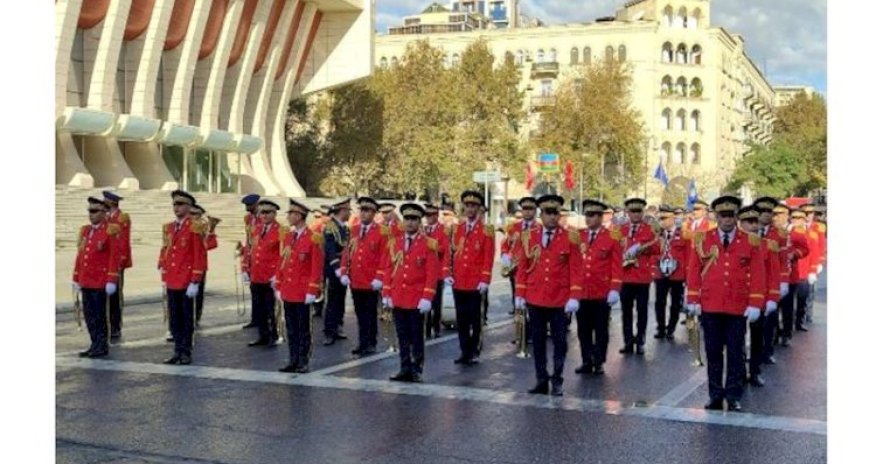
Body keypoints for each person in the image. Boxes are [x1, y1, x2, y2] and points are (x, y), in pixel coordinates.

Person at [686, 196, 765, 412]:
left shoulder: (750, 240)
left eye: (731, 216)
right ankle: (715, 395)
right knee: (713, 353)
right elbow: (693, 270)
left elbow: (758, 274)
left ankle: (733, 395)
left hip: (737, 306)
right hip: (711, 305)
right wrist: (692, 298)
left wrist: (756, 303)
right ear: (716, 217)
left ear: (736, 217)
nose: (727, 220)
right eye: (723, 216)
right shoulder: (703, 238)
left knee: (735, 353)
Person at [514, 194, 582, 396]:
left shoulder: (570, 237)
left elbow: (576, 269)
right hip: (536, 297)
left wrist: (574, 296)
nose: (552, 217)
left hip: (559, 299)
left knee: (560, 342)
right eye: (548, 213)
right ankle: (541, 379)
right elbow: (523, 267)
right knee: (538, 341)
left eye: (556, 213)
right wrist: (520, 293)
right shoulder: (528, 236)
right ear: (540, 214)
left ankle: (558, 379)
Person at [381, 203, 441, 382]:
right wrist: (386, 293)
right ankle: (404, 367)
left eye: (414, 219)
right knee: (402, 336)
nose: (409, 223)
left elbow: (432, 273)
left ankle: (417, 368)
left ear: (419, 221)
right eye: (407, 219)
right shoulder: (394, 243)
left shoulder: (429, 244)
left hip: (416, 297)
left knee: (416, 336)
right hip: (398, 296)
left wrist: (427, 297)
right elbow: (387, 268)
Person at [573, 199, 622, 376]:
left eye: (593, 215)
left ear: (601, 217)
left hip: (602, 291)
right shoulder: (578, 236)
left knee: (601, 329)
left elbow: (616, 265)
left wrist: (615, 288)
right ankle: (586, 360)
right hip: (582, 291)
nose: (589, 219)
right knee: (583, 329)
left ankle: (599, 361)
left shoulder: (612, 237)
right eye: (587, 215)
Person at [158, 190, 207, 365]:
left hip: (186, 280)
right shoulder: (170, 227)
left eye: (180, 204)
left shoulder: (195, 226)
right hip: (173, 278)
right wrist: (163, 268)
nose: (176, 208)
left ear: (188, 207)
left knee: (186, 319)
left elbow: (198, 255)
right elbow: (166, 249)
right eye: (174, 204)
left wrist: (195, 280)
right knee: (175, 318)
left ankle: (185, 351)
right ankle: (177, 351)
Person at [276, 199, 325, 373]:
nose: (288, 217)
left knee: (303, 328)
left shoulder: (314, 238)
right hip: (289, 289)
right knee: (290, 327)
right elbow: (283, 261)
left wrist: (313, 289)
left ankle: (303, 360)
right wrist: (279, 283)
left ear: (299, 216)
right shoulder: (289, 236)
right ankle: (293, 359)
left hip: (303, 290)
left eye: (291, 214)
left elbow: (316, 267)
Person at [447, 190, 495, 365]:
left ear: (479, 208)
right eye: (467, 205)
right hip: (459, 281)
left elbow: (488, 257)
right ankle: (464, 350)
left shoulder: (486, 230)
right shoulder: (456, 229)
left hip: (476, 282)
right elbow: (450, 254)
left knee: (476, 319)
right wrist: (448, 273)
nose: (469, 209)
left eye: (473, 206)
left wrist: (485, 279)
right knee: (461, 319)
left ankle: (474, 349)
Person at [72, 197, 122, 358]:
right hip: (86, 279)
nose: (91, 215)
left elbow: (114, 256)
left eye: (94, 211)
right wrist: (76, 277)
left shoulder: (110, 230)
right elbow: (80, 255)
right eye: (89, 211)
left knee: (100, 315)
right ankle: (94, 343)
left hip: (100, 281)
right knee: (89, 315)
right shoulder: (85, 230)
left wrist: (111, 279)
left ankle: (101, 345)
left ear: (104, 212)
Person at [340, 197, 389, 355]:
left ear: (374, 213)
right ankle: (362, 342)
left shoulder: (381, 231)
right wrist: (344, 271)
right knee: (360, 313)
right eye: (362, 210)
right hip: (356, 278)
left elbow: (385, 255)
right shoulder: (353, 229)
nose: (363, 213)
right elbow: (348, 251)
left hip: (371, 279)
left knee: (370, 312)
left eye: (367, 211)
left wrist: (379, 277)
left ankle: (371, 342)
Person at [737, 205, 780, 387]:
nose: (753, 226)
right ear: (741, 224)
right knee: (736, 339)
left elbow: (773, 274)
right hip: (737, 298)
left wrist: (772, 298)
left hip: (758, 298)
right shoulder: (734, 245)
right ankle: (738, 372)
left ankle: (754, 371)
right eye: (749, 222)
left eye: (755, 222)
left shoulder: (768, 245)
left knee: (757, 337)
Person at [241, 199, 284, 347]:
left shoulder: (281, 231)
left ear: (274, 213)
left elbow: (283, 255)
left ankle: (275, 334)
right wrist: (245, 268)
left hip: (270, 275)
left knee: (271, 308)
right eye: (261, 212)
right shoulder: (256, 229)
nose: (263, 215)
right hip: (257, 274)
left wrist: (278, 275)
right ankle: (262, 335)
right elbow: (250, 249)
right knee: (259, 308)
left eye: (267, 212)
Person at [618, 198, 659, 355]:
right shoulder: (620, 229)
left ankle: (640, 341)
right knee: (626, 311)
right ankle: (628, 341)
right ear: (627, 213)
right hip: (625, 276)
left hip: (642, 277)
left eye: (638, 211)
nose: (635, 215)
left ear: (643, 212)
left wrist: (641, 248)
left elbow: (657, 248)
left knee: (642, 311)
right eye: (632, 211)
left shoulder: (649, 229)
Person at [770, 204, 810, 347]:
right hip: (773, 276)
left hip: (790, 275)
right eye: (775, 215)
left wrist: (795, 254)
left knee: (787, 307)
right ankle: (774, 333)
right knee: (773, 306)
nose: (777, 218)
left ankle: (786, 333)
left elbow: (805, 249)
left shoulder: (796, 233)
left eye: (781, 215)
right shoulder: (771, 232)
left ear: (787, 216)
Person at [500, 197, 539, 339]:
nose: (527, 212)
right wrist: (505, 256)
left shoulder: (539, 228)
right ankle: (520, 333)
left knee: (531, 301)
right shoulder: (513, 227)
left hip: (533, 268)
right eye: (525, 209)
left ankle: (530, 331)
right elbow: (505, 244)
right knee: (517, 299)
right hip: (515, 269)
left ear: (535, 211)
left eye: (531, 209)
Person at [653, 205, 690, 341]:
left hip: (677, 274)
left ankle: (671, 328)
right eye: (660, 218)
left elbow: (688, 256)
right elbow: (652, 253)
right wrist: (657, 261)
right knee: (660, 302)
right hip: (660, 273)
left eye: (664, 218)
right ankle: (661, 328)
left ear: (673, 218)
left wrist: (687, 276)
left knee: (675, 303)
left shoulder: (683, 234)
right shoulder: (658, 235)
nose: (662, 221)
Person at [322, 198, 352, 345]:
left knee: (340, 299)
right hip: (335, 269)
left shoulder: (345, 228)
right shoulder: (330, 227)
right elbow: (330, 249)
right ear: (342, 211)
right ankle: (329, 330)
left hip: (344, 268)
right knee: (333, 300)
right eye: (348, 211)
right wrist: (337, 268)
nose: (349, 213)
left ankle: (338, 326)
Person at [102, 191, 130, 340]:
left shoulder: (122, 217)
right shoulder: (105, 218)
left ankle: (116, 326)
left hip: (116, 261)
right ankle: (106, 325)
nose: (103, 202)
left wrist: (121, 260)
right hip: (104, 262)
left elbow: (123, 240)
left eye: (105, 200)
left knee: (115, 296)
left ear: (112, 202)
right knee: (104, 295)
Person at [423, 203, 451, 338]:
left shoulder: (443, 230)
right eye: (426, 215)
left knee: (436, 302)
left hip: (438, 272)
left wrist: (430, 243)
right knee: (424, 300)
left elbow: (443, 250)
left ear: (435, 216)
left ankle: (436, 327)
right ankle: (426, 329)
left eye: (430, 215)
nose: (428, 218)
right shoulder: (423, 229)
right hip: (424, 271)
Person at [790, 209, 818, 333]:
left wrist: (813, 270)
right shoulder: (786, 232)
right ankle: (787, 325)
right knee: (788, 302)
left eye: (799, 219)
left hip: (803, 271)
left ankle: (799, 322)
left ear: (804, 220)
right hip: (789, 273)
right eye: (794, 218)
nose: (797, 221)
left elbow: (814, 253)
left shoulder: (811, 234)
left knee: (802, 299)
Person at [190, 204, 218, 328]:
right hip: (184, 265)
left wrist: (211, 231)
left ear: (200, 215)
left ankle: (196, 315)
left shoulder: (203, 228)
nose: (192, 216)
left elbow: (211, 244)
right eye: (191, 213)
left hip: (199, 265)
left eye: (195, 214)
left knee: (198, 293)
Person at [240, 193, 261, 329]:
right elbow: (248, 238)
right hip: (251, 256)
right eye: (246, 205)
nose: (247, 208)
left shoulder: (262, 218)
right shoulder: (248, 218)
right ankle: (255, 318)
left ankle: (264, 319)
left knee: (262, 291)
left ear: (256, 205)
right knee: (253, 289)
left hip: (261, 257)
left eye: (249, 205)